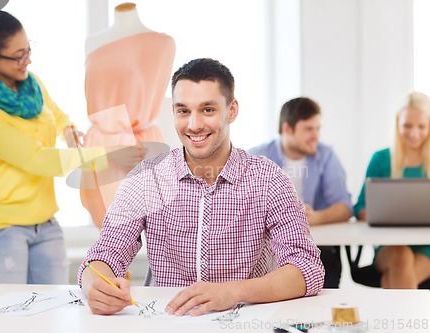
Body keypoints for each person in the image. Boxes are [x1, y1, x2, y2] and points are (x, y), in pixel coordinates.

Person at [79, 58, 324, 316]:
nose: (194, 125)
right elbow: (103, 255)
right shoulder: (147, 178)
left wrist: (233, 292)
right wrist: (98, 286)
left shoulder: (268, 179)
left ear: (232, 110)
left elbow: (307, 267)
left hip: (244, 322)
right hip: (167, 324)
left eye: (207, 110)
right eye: (183, 111)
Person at [0, 10, 108, 284]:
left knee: (52, 315)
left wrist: (68, 131)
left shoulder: (31, 83)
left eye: (28, 50)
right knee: (6, 321)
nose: (28, 60)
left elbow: (57, 115)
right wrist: (106, 156)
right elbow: (36, 159)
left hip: (45, 222)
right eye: (18, 55)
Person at [81, 2, 175, 228]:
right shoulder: (92, 42)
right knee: (110, 234)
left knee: (157, 228)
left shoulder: (163, 43)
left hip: (144, 141)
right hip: (102, 144)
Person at [248, 97, 352, 288]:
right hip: (270, 250)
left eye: (318, 128)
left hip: (319, 248)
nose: (316, 136)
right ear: (287, 129)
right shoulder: (257, 157)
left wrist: (315, 217)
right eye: (308, 129)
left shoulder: (326, 155)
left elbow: (344, 207)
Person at [354, 91, 430, 289]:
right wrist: (373, 214)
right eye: (407, 125)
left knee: (393, 281)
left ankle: (393, 320)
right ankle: (411, 322)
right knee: (401, 256)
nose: (414, 133)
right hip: (389, 246)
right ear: (398, 123)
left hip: (427, 247)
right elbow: (360, 206)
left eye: (421, 126)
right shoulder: (381, 159)